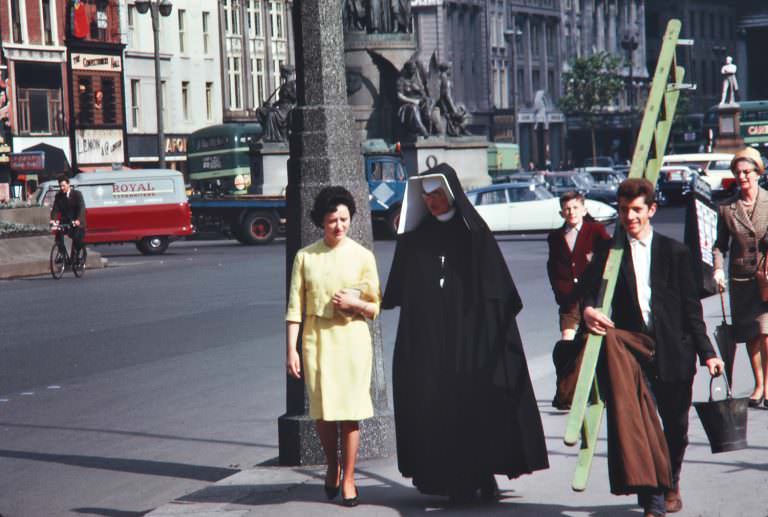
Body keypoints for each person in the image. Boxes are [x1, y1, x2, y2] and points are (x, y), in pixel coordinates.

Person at [382, 163, 549, 504]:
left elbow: (497, 292)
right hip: (433, 343)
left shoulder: (475, 234)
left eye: (438, 195)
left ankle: (480, 476)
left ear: (451, 194)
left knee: (475, 408)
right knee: (436, 409)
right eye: (426, 196)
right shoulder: (415, 239)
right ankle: (452, 481)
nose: (432, 202)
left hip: (471, 343)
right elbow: (403, 292)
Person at [582, 178, 724, 517]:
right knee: (642, 426)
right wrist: (589, 310)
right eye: (623, 210)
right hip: (632, 351)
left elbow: (692, 308)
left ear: (651, 210)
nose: (629, 217)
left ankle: (671, 480)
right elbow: (588, 293)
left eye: (636, 210)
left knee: (675, 426)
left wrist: (709, 353)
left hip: (675, 350)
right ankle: (654, 497)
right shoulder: (609, 253)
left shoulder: (675, 252)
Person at [285, 186, 380, 507]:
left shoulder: (363, 256)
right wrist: (291, 350)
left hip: (352, 340)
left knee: (350, 413)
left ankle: (350, 477)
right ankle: (332, 465)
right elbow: (294, 309)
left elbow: (376, 306)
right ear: (320, 222)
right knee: (324, 413)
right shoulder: (306, 257)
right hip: (318, 340)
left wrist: (356, 303)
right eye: (331, 221)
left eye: (344, 219)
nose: (338, 226)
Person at [713, 146, 768, 409]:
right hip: (741, 281)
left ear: (758, 173)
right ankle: (758, 384)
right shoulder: (727, 209)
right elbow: (718, 245)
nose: (743, 177)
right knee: (751, 335)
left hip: (766, 279)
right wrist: (718, 268)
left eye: (747, 172)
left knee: (766, 332)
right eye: (738, 173)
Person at [547, 191, 611, 341]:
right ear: (561, 213)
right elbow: (552, 267)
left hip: (592, 297)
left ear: (584, 210)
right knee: (567, 338)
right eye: (567, 209)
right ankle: (568, 364)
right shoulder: (555, 237)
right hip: (568, 299)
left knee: (592, 339)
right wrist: (559, 291)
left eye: (575, 208)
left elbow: (608, 256)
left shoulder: (596, 231)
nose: (571, 212)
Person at [49, 175, 87, 264]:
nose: (62, 188)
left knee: (77, 239)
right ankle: (61, 254)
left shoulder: (77, 194)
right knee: (59, 235)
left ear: (68, 184)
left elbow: (82, 208)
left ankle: (77, 256)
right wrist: (53, 220)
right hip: (66, 221)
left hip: (77, 222)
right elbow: (55, 209)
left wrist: (78, 220)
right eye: (60, 186)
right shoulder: (58, 196)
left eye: (64, 185)